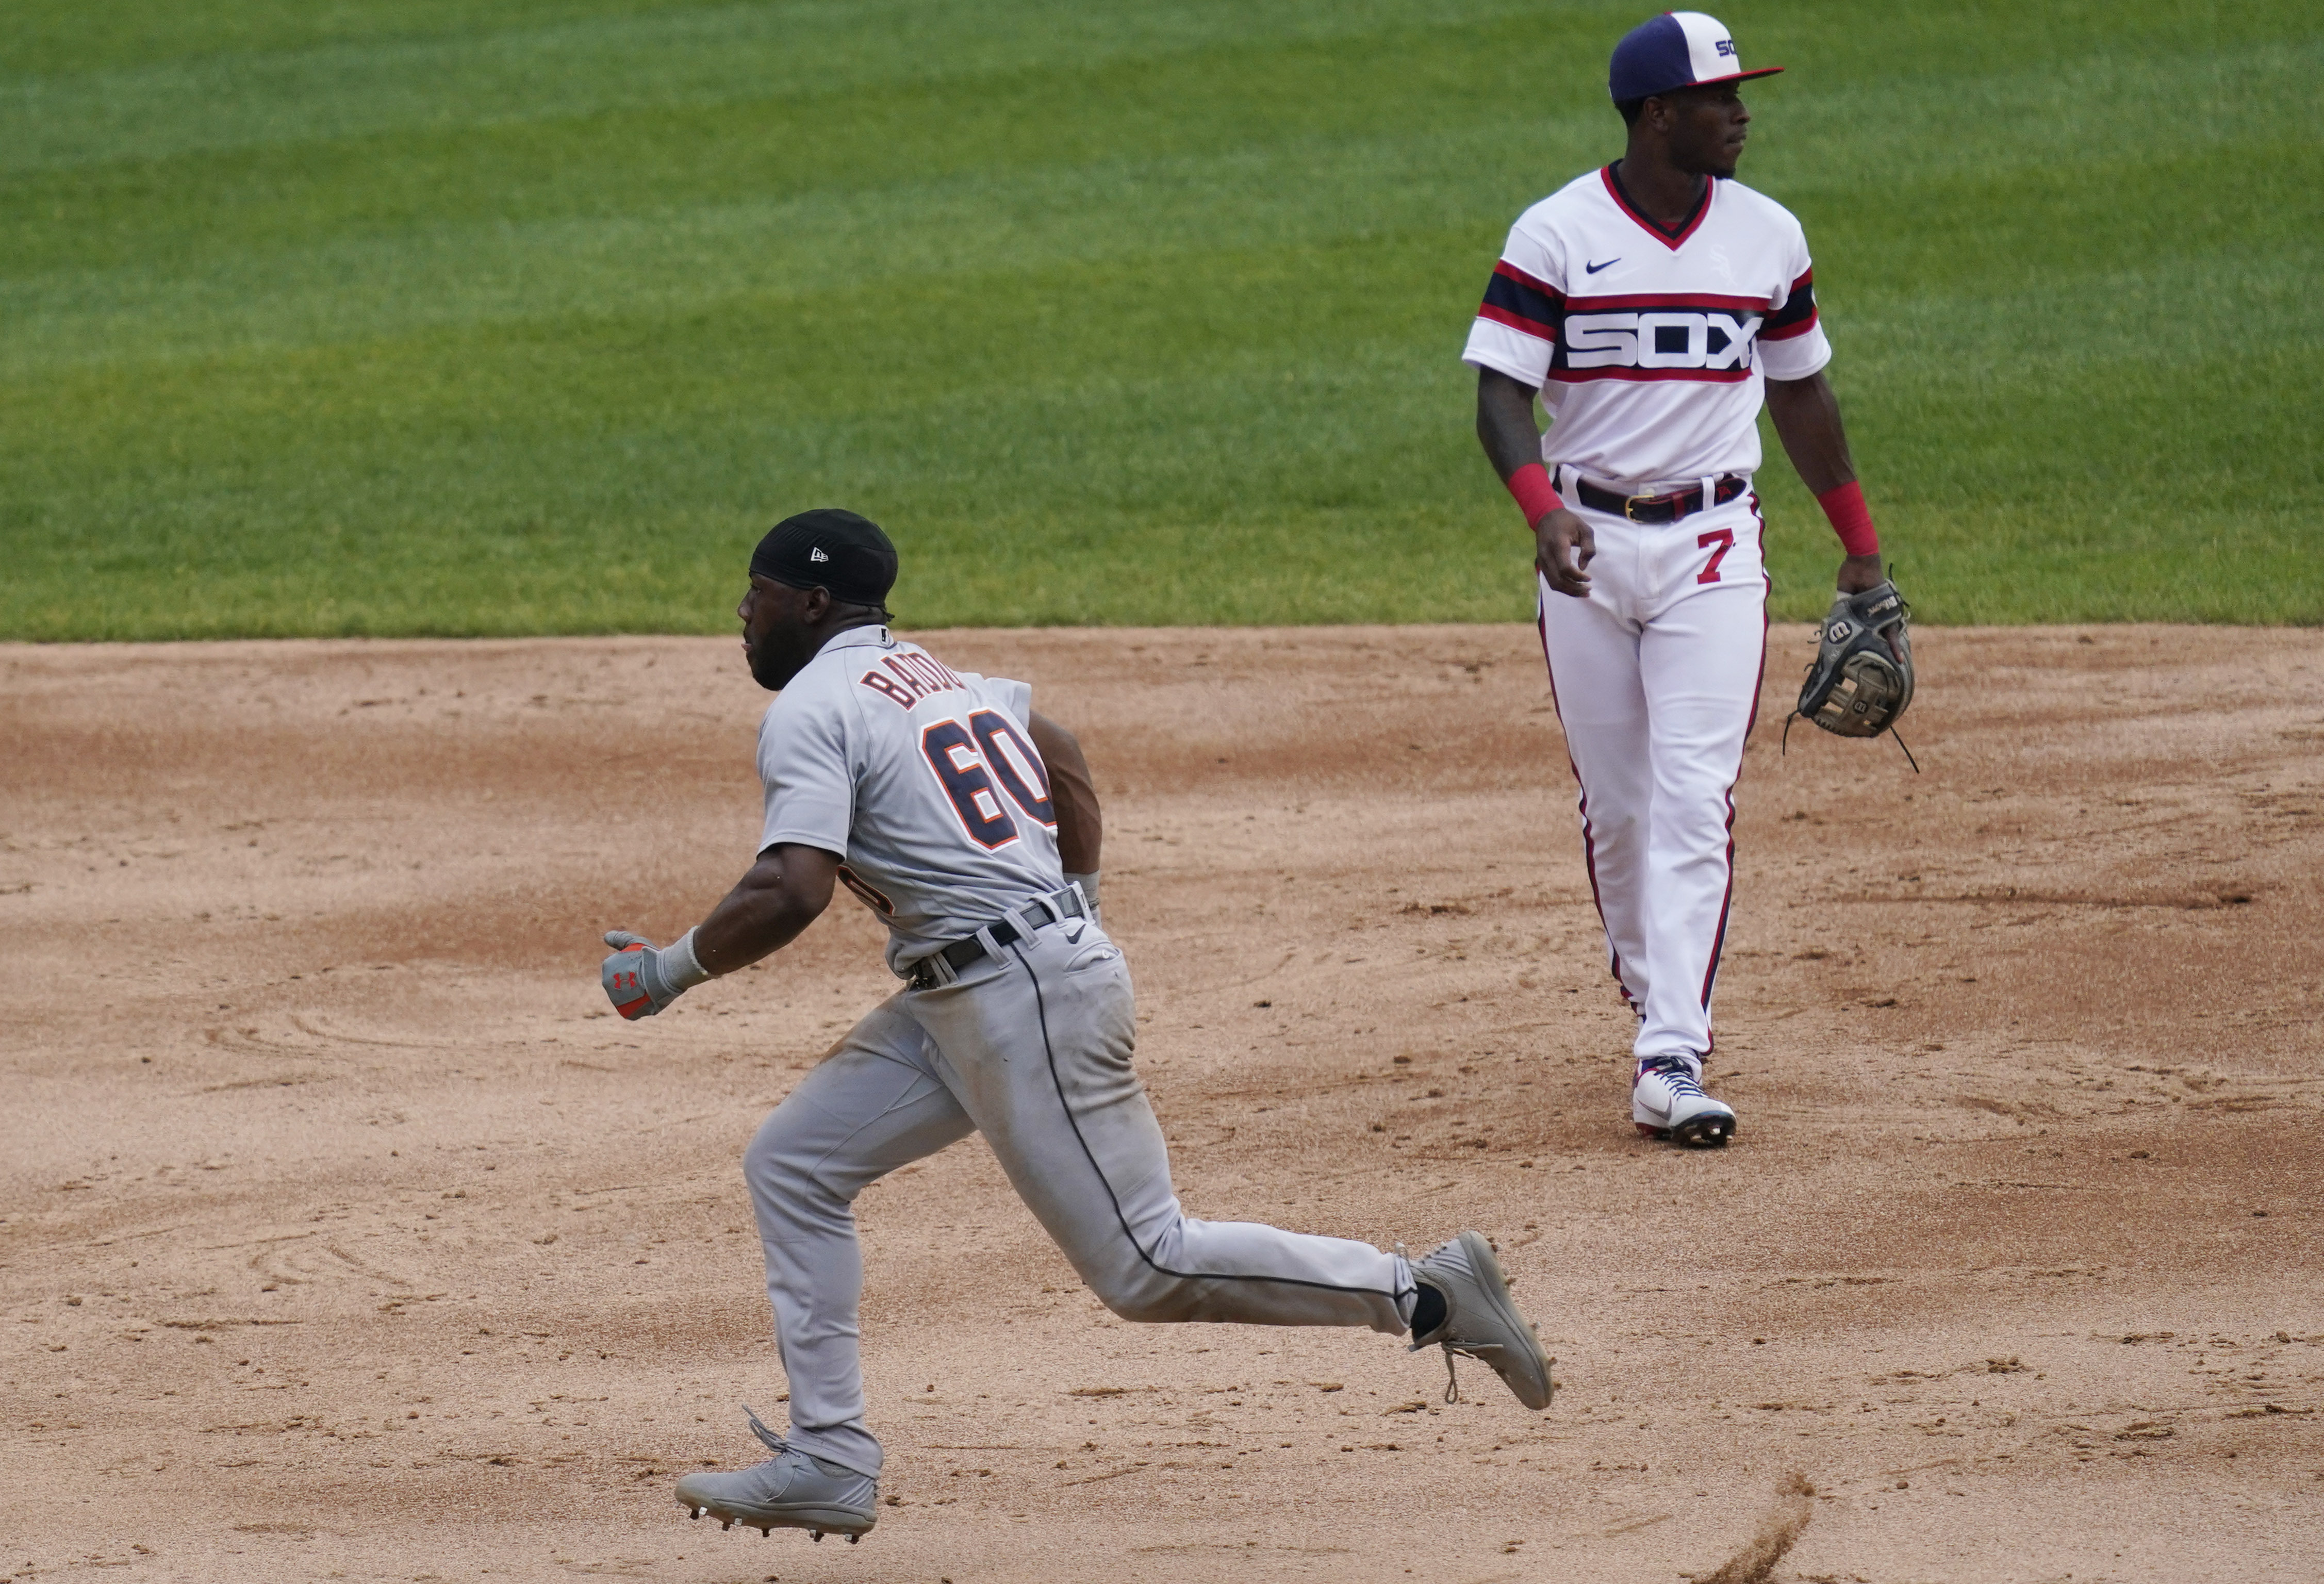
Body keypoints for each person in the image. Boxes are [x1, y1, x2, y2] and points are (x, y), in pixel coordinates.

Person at [597, 508, 1553, 1542]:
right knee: (794, 1164)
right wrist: (1076, 897)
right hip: (970, 995)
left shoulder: (811, 707)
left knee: (1149, 1269)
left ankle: (1420, 1291)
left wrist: (669, 969)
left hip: (1021, 998)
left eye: (760, 590)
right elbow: (1057, 746)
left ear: (814, 601)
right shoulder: (928, 676)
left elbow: (792, 890)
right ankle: (830, 1457)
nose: (743, 610)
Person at [1462, 12, 1886, 1149]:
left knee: (1697, 797)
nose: (1743, 113)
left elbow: (1801, 391)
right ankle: (1658, 1006)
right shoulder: (1556, 233)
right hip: (1587, 552)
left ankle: (1671, 1053)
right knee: (1621, 813)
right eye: (1721, 97)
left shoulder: (1768, 236)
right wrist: (1543, 513)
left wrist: (1860, 545)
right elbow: (1501, 393)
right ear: (1660, 114)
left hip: (1714, 553)